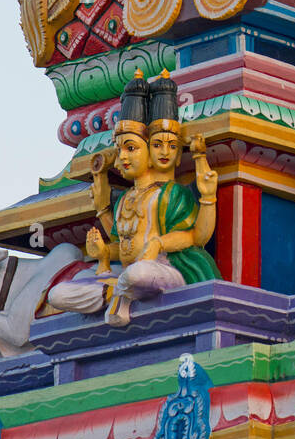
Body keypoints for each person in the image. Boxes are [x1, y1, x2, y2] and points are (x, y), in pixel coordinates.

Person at [47, 70, 220, 325]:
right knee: (58, 293)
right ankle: (118, 295)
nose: (122, 158)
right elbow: (125, 245)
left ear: (149, 151)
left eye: (131, 148)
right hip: (126, 273)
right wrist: (104, 253)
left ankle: (118, 295)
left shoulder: (170, 193)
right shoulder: (125, 199)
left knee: (139, 273)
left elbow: (197, 237)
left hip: (163, 270)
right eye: (120, 150)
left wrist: (205, 199)